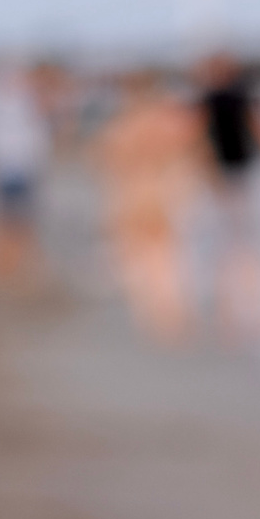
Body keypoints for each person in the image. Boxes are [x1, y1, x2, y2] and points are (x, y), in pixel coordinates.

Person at [97, 71, 199, 342]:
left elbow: (108, 162)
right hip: (163, 193)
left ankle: (151, 314)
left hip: (131, 195)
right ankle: (169, 312)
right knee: (165, 256)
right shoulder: (170, 121)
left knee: (138, 257)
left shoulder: (120, 125)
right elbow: (188, 151)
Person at [194, 53, 260, 341]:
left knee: (226, 249)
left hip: (220, 181)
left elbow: (197, 142)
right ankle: (254, 313)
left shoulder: (204, 100)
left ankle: (231, 316)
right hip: (241, 178)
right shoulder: (243, 97)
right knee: (248, 247)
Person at [0, 61, 50, 285]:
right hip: (5, 169)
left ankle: (19, 265)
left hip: (22, 169)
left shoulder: (21, 103)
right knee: (5, 220)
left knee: (24, 220)